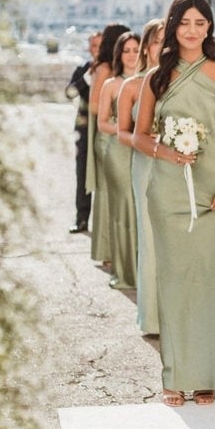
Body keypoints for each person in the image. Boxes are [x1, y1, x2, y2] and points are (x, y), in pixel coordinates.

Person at [133, 0, 215, 406]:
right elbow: (140, 136)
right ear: (173, 27)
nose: (192, 30)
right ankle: (175, 376)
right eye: (184, 23)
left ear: (209, 27)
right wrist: (169, 153)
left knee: (208, 282)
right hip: (169, 190)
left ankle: (205, 376)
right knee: (175, 282)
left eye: (200, 23)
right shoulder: (156, 77)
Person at [118, 18, 164, 333]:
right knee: (149, 238)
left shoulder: (180, 83)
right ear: (146, 47)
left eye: (167, 42)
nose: (164, 48)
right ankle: (152, 318)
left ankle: (178, 313)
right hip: (146, 165)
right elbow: (123, 132)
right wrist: (149, 142)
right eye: (158, 42)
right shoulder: (132, 86)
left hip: (179, 166)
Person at [97, 31, 140, 290]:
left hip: (144, 152)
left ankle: (144, 270)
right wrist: (127, 129)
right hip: (119, 153)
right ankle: (125, 271)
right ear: (119, 54)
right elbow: (102, 123)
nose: (132, 55)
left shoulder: (149, 81)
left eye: (136, 49)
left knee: (142, 207)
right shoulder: (111, 84)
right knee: (124, 207)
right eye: (127, 50)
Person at [86, 23, 130, 265]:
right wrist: (120, 118)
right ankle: (107, 251)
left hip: (122, 139)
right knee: (106, 195)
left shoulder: (122, 69)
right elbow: (94, 106)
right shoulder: (104, 69)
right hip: (107, 138)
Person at [65, 30, 102, 233]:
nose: (97, 50)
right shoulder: (82, 70)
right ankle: (81, 219)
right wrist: (87, 78)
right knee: (82, 173)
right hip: (85, 129)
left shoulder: (113, 69)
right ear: (89, 48)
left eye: (101, 45)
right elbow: (69, 93)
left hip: (105, 130)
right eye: (94, 46)